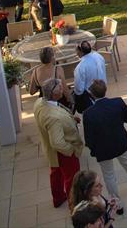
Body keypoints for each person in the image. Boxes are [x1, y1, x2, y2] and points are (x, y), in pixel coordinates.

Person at [82, 80, 127, 215]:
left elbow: (89, 137)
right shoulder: (118, 102)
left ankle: (117, 203)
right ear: (105, 90)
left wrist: (92, 148)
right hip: (120, 141)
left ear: (92, 95)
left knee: (109, 175)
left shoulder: (88, 113)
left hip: (103, 147)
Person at [34, 78, 84, 208]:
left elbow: (59, 111)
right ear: (55, 94)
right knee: (72, 179)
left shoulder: (40, 102)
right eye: (61, 88)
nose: (64, 89)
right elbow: (57, 142)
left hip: (50, 150)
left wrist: (71, 119)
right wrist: (71, 150)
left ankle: (58, 198)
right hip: (63, 153)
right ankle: (75, 206)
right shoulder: (53, 118)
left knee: (55, 173)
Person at [73, 41, 106, 114]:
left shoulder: (80, 67)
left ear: (80, 51)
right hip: (102, 89)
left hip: (90, 97)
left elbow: (79, 89)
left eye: (76, 50)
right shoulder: (98, 56)